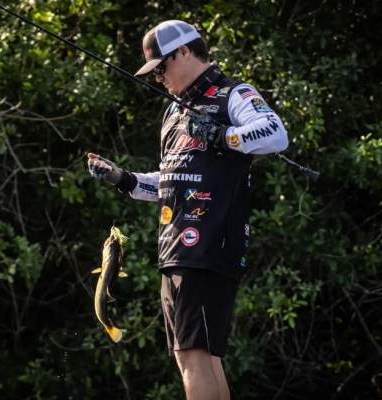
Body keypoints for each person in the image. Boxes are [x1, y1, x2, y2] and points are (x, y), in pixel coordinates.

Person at [87, 20, 289, 400]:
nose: (158, 77)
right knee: (199, 356)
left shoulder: (233, 93)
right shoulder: (173, 113)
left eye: (160, 67)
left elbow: (276, 133)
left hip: (209, 241)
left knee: (192, 355)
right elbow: (171, 179)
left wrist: (222, 134)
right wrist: (124, 179)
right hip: (175, 248)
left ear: (184, 52)